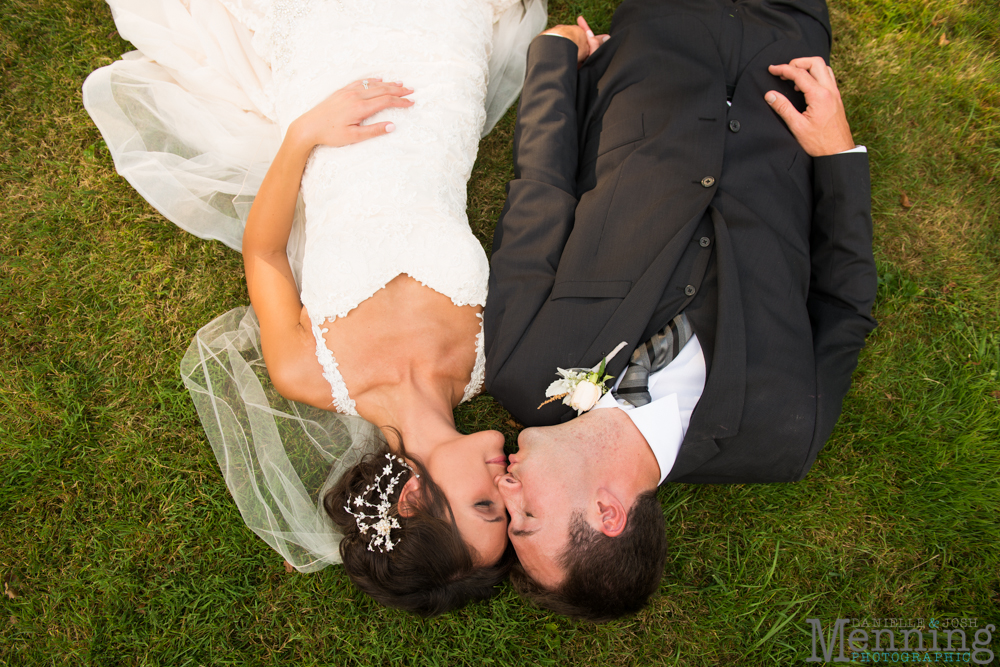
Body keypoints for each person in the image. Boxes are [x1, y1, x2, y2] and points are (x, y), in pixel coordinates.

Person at [82, 0, 546, 616]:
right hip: (439, 90)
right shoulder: (498, 354)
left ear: (411, 498)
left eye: (486, 506)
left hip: (329, 93)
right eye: (510, 511)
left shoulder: (306, 373)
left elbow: (266, 252)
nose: (508, 488)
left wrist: (304, 133)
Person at [484, 0, 878, 621]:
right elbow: (844, 302)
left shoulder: (519, 371)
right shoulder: (781, 439)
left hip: (661, 43)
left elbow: (541, 192)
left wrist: (554, 63)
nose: (506, 491)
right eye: (526, 517)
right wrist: (836, 156)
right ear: (608, 513)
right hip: (782, 53)